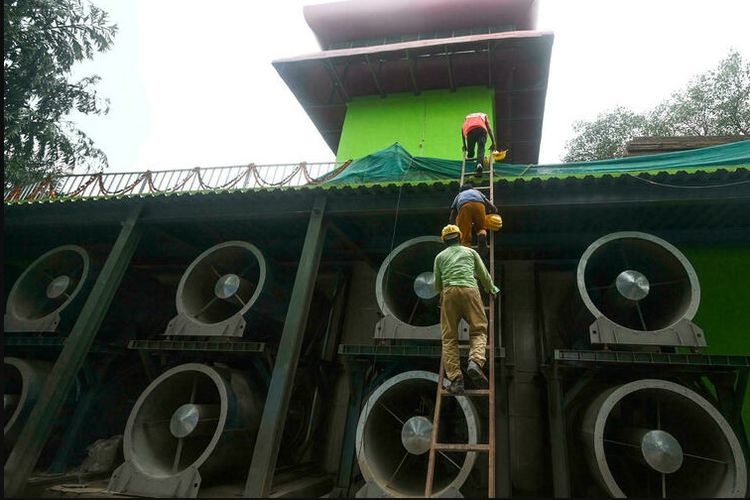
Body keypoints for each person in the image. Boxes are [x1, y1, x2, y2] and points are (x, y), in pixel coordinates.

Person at [434, 224, 500, 394]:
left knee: (449, 338)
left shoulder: (439, 257)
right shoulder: (470, 252)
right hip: (470, 290)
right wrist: (492, 289)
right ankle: (476, 362)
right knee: (478, 329)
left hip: (448, 293)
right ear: (460, 237)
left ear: (444, 241)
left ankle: (456, 380)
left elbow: (437, 284)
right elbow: (483, 274)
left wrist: (444, 293)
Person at [449, 183, 498, 254]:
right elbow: (490, 205)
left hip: (464, 206)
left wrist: (453, 225)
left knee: (465, 231)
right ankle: (482, 235)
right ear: (472, 188)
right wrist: (493, 211)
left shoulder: (459, 195)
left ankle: (466, 249)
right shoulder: (477, 192)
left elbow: (453, 214)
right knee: (481, 228)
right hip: (480, 205)